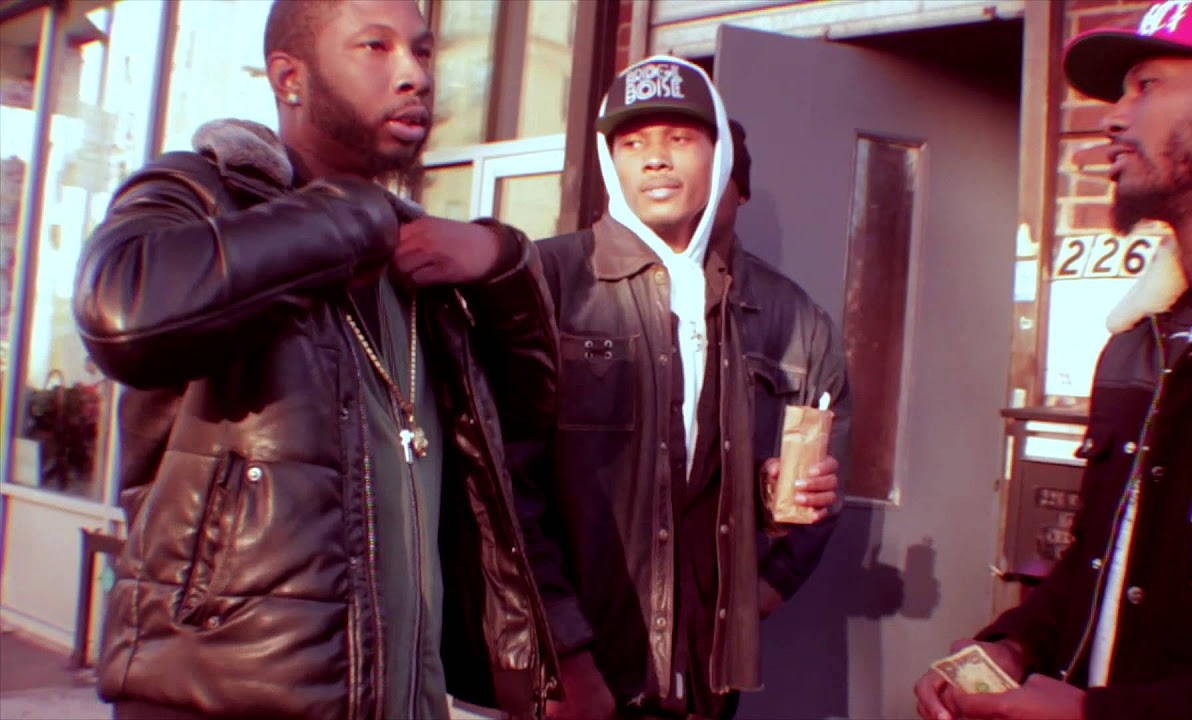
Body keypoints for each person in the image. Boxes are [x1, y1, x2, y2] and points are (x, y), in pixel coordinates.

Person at [73, 1, 558, 718]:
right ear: (289, 77)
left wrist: (500, 261)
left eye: (423, 51)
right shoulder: (203, 193)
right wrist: (351, 211)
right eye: (375, 47)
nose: (415, 76)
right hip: (220, 696)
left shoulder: (420, 263)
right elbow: (119, 310)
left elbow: (530, 419)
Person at [914, 1, 1192, 719]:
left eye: (1146, 86)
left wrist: (1093, 717)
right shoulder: (1137, 345)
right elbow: (1096, 565)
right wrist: (1015, 643)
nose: (1113, 118)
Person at [520, 56, 850, 719]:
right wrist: (561, 652)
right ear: (609, 159)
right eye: (633, 142)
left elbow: (813, 488)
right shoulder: (548, 281)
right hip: (575, 676)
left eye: (680, 137)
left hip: (702, 683)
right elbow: (503, 494)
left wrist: (765, 574)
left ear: (720, 157)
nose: (655, 159)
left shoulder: (792, 317)